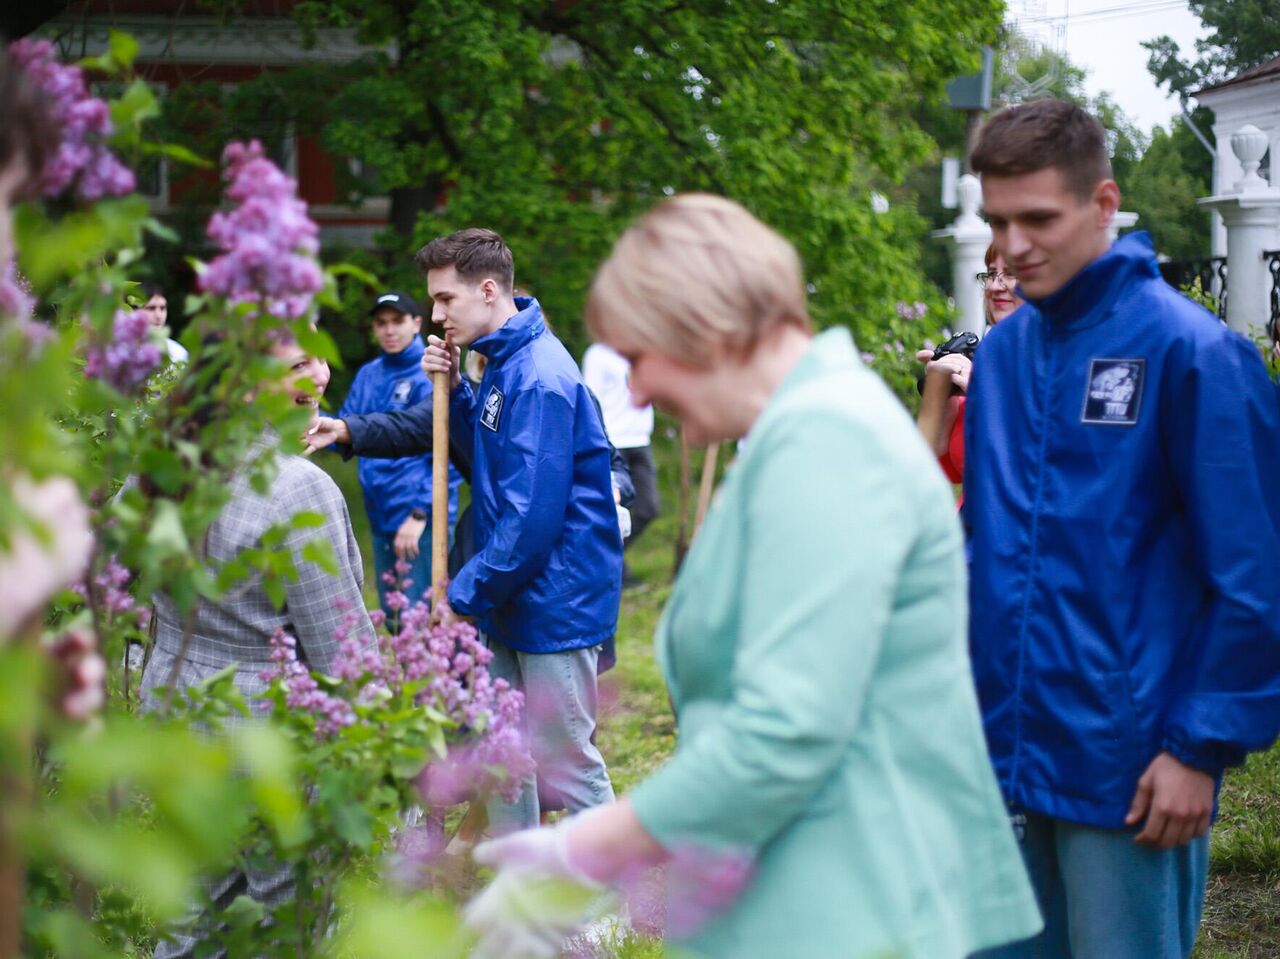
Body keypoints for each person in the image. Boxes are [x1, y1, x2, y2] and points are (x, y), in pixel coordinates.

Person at [463, 194, 1042, 959]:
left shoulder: (827, 442)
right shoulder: (792, 432)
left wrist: (584, 850)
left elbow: (786, 729)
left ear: (706, 325)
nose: (634, 394)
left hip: (849, 910)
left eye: (639, 357)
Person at [964, 99, 1280, 958]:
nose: (1013, 245)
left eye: (1039, 218)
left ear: (1102, 205)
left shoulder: (1197, 354)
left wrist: (1197, 748)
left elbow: (1254, 576)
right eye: (998, 221)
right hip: (1002, 756)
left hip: (1132, 768)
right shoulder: (1000, 357)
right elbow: (985, 556)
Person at [306, 228, 623, 835]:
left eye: (446, 299)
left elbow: (531, 518)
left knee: (565, 758)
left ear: (486, 290)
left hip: (555, 600)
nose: (435, 314)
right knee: (505, 753)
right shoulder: (504, 365)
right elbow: (486, 462)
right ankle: (519, 880)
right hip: (513, 592)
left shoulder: (540, 378)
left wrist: (459, 595)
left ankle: (603, 918)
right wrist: (452, 390)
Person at [139, 333, 375, 959]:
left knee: (193, 913)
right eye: (297, 364)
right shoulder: (296, 488)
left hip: (170, 708)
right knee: (286, 919)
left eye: (321, 354)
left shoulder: (170, 458)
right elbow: (339, 645)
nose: (321, 373)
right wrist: (375, 746)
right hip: (263, 733)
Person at [337, 290, 462, 621]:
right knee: (393, 618)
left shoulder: (431, 370)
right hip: (380, 514)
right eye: (381, 323)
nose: (389, 330)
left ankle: (443, 675)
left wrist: (421, 514)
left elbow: (451, 450)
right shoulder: (369, 374)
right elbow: (344, 431)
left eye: (397, 321)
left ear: (417, 323)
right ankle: (405, 674)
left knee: (422, 618)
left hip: (419, 519)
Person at [916, 244, 1024, 481]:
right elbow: (948, 471)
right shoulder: (989, 360)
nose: (995, 286)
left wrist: (983, 394)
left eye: (1011, 273)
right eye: (991, 273)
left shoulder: (1066, 363)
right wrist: (943, 403)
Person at [582, 341, 659, 584]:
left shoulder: (642, 348)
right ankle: (614, 569)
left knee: (648, 508)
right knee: (608, 511)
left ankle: (607, 558)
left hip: (640, 439)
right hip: (614, 442)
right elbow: (589, 402)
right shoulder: (598, 355)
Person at [136, 283, 189, 364]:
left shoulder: (178, 353)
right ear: (136, 311)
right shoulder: (123, 351)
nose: (158, 315)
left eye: (162, 308)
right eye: (151, 308)